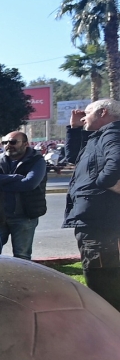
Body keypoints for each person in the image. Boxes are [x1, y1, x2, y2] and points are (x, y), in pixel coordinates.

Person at [63, 99, 120, 309]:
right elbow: (73, 157)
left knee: (103, 286)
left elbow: (116, 164)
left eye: (88, 113)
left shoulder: (113, 133)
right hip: (95, 222)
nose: (84, 116)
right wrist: (75, 128)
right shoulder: (100, 136)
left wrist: (102, 181)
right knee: (100, 281)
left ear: (103, 112)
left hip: (102, 225)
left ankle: (111, 334)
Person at [0, 131, 47, 260]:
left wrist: (1, 182)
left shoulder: (37, 161)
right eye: (5, 142)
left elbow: (29, 184)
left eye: (13, 142)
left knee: (22, 255)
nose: (8, 145)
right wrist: (16, 178)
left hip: (24, 216)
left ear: (26, 144)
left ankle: (22, 281)